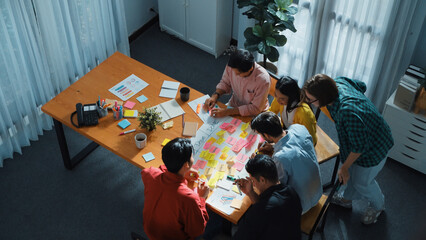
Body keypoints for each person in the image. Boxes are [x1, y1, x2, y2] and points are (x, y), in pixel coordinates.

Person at [302, 74, 394, 225]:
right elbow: (361, 86)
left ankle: (378, 205)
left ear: (323, 98)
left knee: (362, 182)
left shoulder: (347, 112)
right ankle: (346, 199)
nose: (308, 102)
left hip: (375, 147)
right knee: (352, 175)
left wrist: (344, 167)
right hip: (362, 138)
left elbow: (359, 147)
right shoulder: (338, 82)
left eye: (310, 99)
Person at [251, 112, 322, 214]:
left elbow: (274, 186)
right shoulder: (298, 128)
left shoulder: (280, 158)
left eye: (261, 135)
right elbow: (294, 147)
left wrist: (258, 164)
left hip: (301, 205)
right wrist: (273, 146)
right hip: (317, 191)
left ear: (266, 135)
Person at [141, 138, 210, 239]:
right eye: (192, 156)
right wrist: (202, 197)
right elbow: (197, 230)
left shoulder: (150, 173)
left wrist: (181, 172)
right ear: (186, 164)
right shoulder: (189, 198)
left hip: (150, 230)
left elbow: (156, 169)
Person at [234, 154, 302, 240]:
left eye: (252, 180)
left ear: (262, 180)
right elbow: (265, 208)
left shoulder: (259, 212)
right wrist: (250, 192)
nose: (253, 184)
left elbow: (241, 236)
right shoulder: (291, 191)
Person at [203, 48, 270, 117]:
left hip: (255, 113)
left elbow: (256, 108)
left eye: (238, 73)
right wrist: (215, 96)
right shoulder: (232, 66)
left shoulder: (263, 80)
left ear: (250, 69)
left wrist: (228, 112)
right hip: (235, 104)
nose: (235, 75)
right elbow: (225, 82)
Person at [269, 76, 317, 145]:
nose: (278, 100)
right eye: (276, 95)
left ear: (292, 97)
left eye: (282, 98)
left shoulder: (304, 113)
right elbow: (271, 112)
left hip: (301, 142)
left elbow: (310, 140)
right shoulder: (279, 99)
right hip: (288, 133)